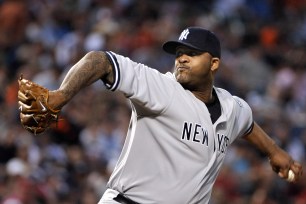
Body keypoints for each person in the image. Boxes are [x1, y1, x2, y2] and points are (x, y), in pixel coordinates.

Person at [22, 27, 303, 203]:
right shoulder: (161, 88)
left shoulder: (232, 107)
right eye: (179, 52)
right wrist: (61, 95)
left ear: (214, 63)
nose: (181, 58)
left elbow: (248, 125)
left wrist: (275, 152)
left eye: (192, 54)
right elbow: (102, 61)